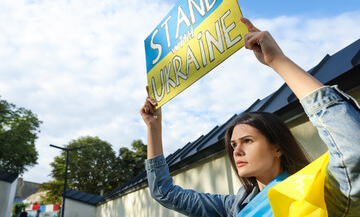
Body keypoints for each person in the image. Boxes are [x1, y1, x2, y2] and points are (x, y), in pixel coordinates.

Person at [140, 18, 360, 216]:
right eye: (233, 144)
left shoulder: (316, 190)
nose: (236, 151)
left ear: (278, 147)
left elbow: (354, 151)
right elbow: (164, 193)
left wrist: (277, 61)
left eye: (247, 141)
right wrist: (154, 128)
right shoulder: (234, 207)